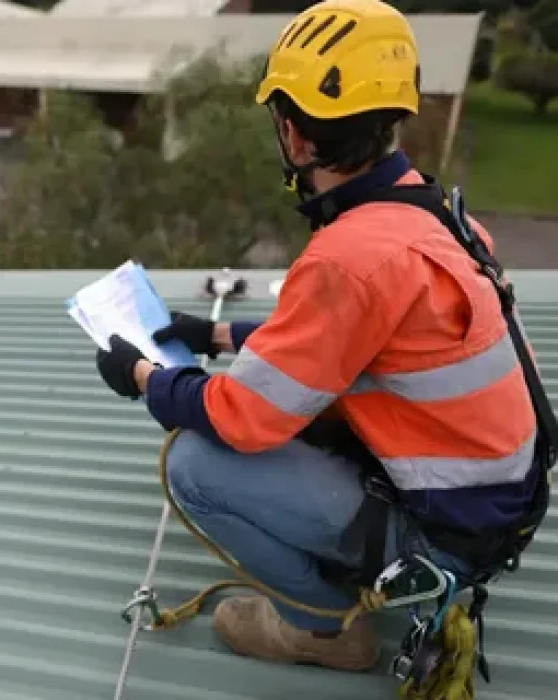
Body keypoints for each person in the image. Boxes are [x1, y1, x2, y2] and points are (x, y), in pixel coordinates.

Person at [94, 0, 546, 673]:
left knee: (192, 464)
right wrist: (215, 333)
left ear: (295, 136)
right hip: (499, 513)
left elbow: (241, 418)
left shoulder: (349, 258)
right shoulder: (435, 216)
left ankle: (323, 631)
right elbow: (335, 343)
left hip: (446, 538)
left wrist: (144, 379)